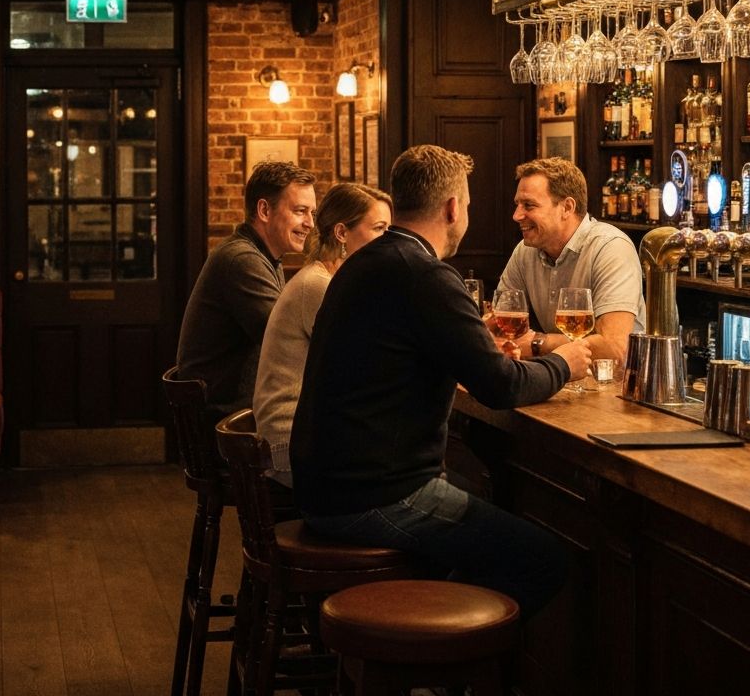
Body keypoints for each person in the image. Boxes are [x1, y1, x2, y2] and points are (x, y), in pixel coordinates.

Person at [290, 144, 590, 619]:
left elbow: (411, 359)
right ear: (452, 208)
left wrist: (477, 349)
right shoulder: (424, 274)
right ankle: (444, 663)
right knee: (543, 559)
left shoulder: (368, 263)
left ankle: (415, 649)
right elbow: (501, 388)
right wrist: (566, 363)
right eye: (467, 205)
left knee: (474, 522)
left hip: (326, 487)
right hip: (375, 496)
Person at [253, 182, 393, 486]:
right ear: (342, 233)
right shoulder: (318, 286)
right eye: (380, 229)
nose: (389, 240)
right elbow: (364, 364)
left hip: (307, 434)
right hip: (289, 444)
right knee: (393, 476)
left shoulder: (333, 281)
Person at [176, 160, 317, 421]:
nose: (309, 223)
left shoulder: (264, 256)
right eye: (300, 211)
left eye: (312, 213)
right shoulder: (241, 259)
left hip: (239, 408)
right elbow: (285, 340)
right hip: (228, 421)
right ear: (264, 209)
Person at [494, 156, 645, 366]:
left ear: (567, 207)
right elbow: (498, 325)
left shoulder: (611, 247)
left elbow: (615, 347)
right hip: (564, 382)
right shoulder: (525, 251)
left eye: (528, 205)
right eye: (518, 205)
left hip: (615, 387)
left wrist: (539, 343)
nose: (517, 215)